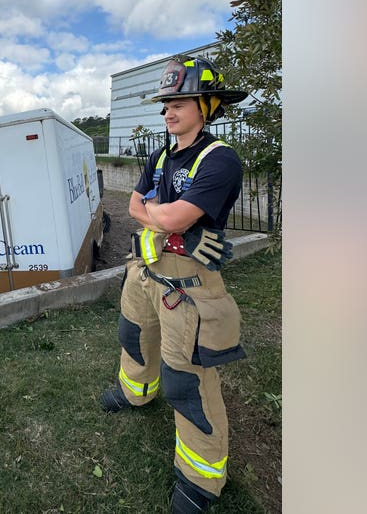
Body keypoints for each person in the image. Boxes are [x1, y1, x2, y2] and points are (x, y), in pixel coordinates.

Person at [98, 55, 249, 513]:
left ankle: (200, 480)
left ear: (207, 105)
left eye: (179, 101)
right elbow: (134, 204)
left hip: (189, 284)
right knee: (133, 335)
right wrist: (156, 216)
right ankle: (134, 393)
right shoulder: (161, 154)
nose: (168, 111)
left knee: (187, 380)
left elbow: (174, 215)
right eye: (165, 103)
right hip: (143, 269)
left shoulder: (219, 160)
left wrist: (158, 216)